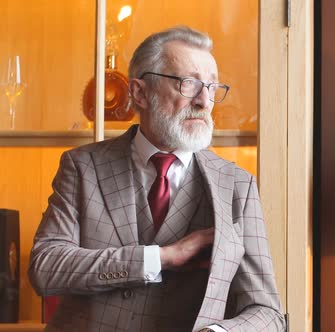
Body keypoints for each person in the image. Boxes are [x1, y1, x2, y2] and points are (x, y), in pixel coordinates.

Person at [28, 26, 286, 332]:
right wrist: (159, 258)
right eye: (188, 84)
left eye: (212, 87)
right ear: (139, 93)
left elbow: (267, 312)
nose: (204, 101)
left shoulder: (237, 186)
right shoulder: (82, 166)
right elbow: (45, 267)